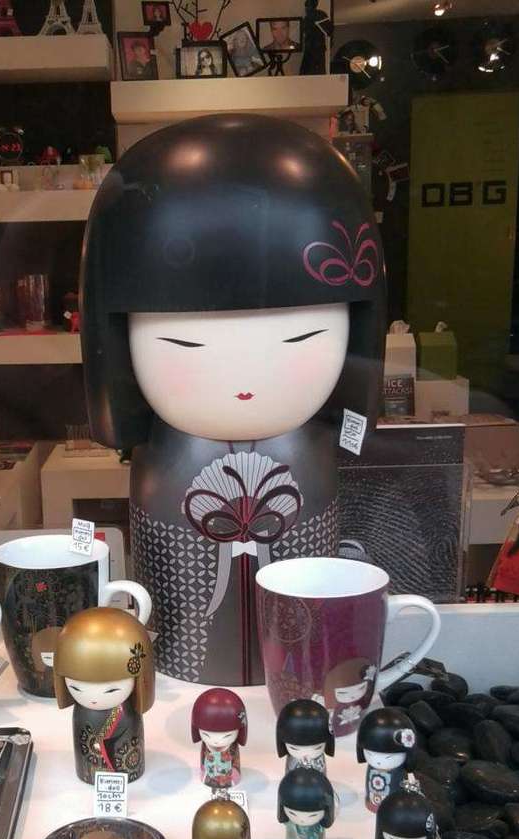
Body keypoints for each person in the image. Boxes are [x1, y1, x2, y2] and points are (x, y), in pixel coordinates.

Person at [80, 116, 386, 687]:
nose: (244, 379)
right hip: (174, 662)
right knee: (190, 623)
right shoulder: (162, 452)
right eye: (185, 344)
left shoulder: (314, 443)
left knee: (297, 639)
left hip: (295, 469)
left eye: (301, 338)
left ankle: (294, 669)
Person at [52, 607, 155, 783]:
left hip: (125, 760)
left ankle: (122, 775)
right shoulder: (81, 712)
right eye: (76, 688)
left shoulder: (128, 712)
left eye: (111, 690)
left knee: (125, 753)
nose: (93, 698)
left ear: (139, 681)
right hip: (91, 762)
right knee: (88, 761)